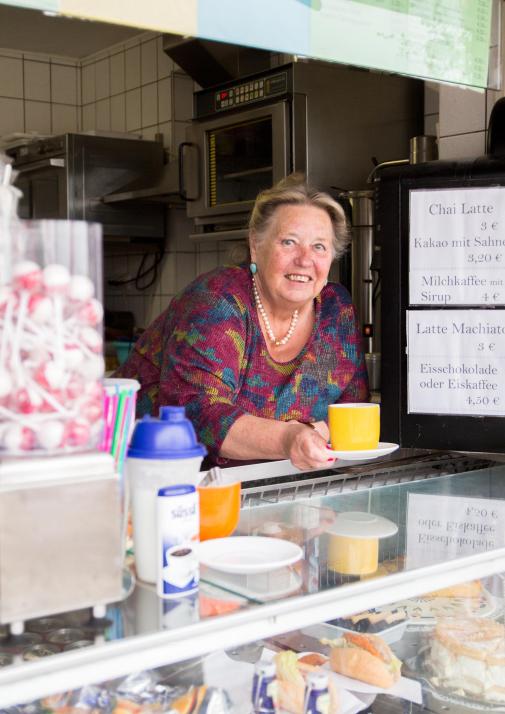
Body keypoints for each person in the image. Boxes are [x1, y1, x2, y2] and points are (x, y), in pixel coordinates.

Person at [116, 175, 369, 470]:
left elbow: (352, 413)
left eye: (319, 247)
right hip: (153, 476)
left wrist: (312, 439)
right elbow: (197, 415)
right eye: (289, 242)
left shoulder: (336, 311)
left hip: (269, 487)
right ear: (255, 245)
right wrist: (290, 439)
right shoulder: (217, 302)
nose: (304, 260)